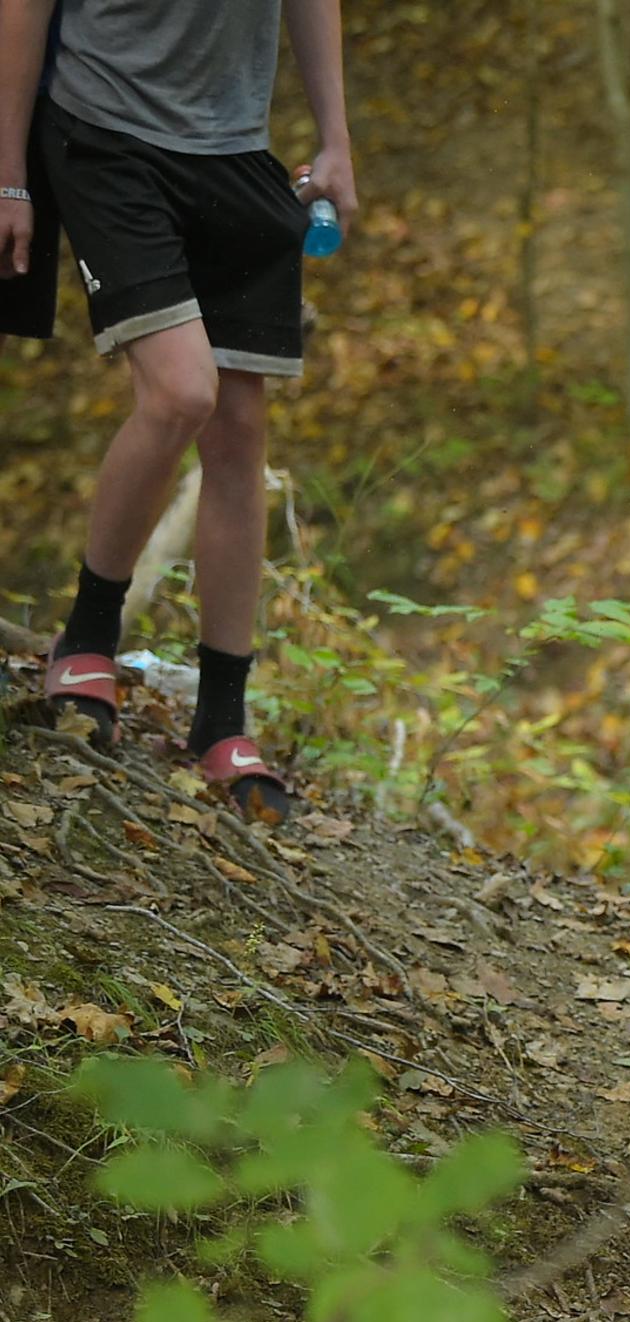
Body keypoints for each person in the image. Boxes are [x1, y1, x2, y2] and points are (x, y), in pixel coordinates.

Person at [0, 0, 359, 821]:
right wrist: (8, 173)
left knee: (238, 430)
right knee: (181, 391)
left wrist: (336, 139)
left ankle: (222, 723)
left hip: (234, 149)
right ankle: (87, 640)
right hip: (103, 130)